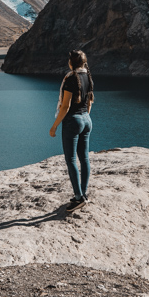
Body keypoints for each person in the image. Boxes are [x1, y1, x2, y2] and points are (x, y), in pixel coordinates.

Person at [49, 49, 94, 209]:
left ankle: (78, 197)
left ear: (71, 63)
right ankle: (83, 193)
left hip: (73, 122)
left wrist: (54, 126)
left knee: (71, 160)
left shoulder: (71, 78)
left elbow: (65, 106)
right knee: (84, 158)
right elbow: (89, 102)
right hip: (86, 120)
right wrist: (84, 118)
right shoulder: (88, 76)